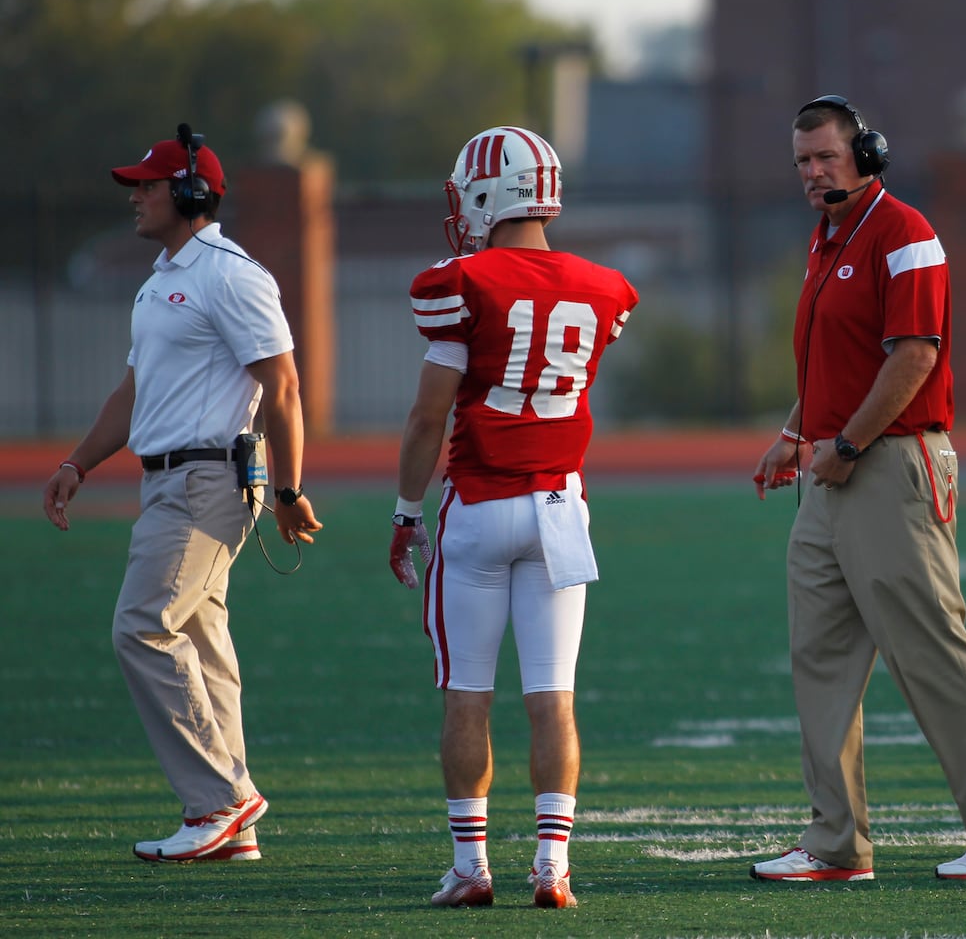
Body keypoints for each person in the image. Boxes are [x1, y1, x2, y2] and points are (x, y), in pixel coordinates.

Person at [751, 95, 966, 883]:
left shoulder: (906, 235)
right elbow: (837, 364)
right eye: (802, 161)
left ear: (866, 154)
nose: (813, 173)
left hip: (888, 463)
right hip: (833, 468)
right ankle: (835, 843)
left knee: (930, 648)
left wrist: (846, 443)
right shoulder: (827, 240)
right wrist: (796, 434)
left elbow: (913, 357)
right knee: (817, 657)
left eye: (824, 156)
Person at [43, 127, 322, 862]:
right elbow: (133, 392)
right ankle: (236, 829)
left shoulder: (229, 274)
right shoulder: (163, 278)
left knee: (141, 626)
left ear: (191, 193)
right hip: (169, 477)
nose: (136, 196)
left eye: (149, 184)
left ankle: (221, 801)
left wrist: (291, 487)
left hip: (206, 476)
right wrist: (78, 462)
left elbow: (283, 384)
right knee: (201, 643)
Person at [390, 125, 638, 909]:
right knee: (551, 695)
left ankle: (471, 867)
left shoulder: (460, 282)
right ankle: (552, 867)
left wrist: (404, 511)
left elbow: (429, 417)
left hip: (480, 503)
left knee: (468, 691)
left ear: (490, 194)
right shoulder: (606, 286)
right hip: (562, 507)